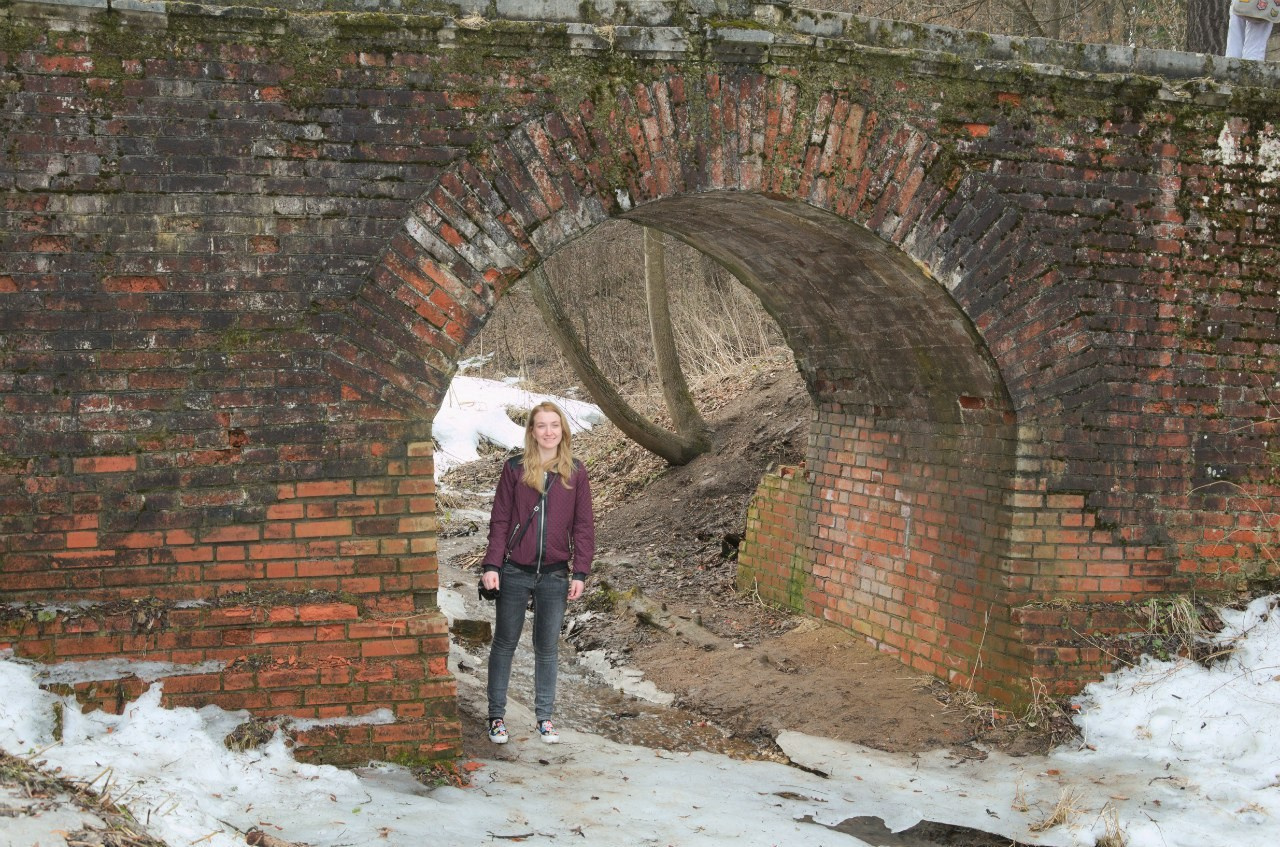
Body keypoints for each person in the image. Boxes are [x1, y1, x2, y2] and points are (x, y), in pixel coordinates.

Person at [479, 401, 594, 744]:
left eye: (554, 425)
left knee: (547, 647)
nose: (548, 431)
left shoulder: (576, 471)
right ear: (532, 431)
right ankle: (496, 717)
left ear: (563, 430)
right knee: (505, 643)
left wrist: (580, 571)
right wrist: (492, 565)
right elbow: (500, 520)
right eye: (541, 425)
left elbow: (584, 526)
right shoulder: (514, 468)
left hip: (555, 574)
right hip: (515, 570)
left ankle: (545, 719)